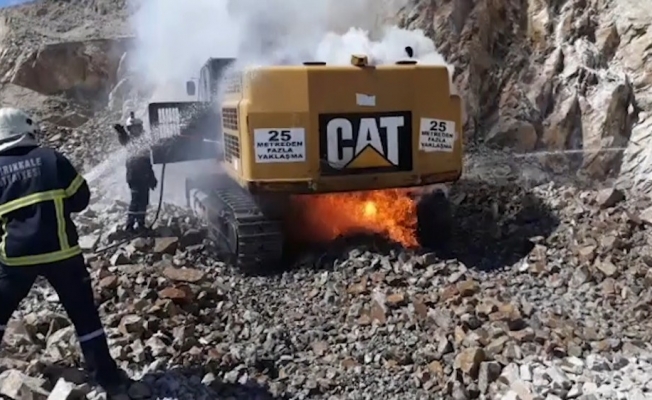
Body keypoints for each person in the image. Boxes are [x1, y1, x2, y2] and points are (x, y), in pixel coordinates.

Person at [0, 108, 128, 395]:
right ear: (25, 130)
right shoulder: (51, 159)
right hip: (62, 254)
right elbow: (81, 199)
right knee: (84, 316)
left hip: (15, 259)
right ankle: (107, 378)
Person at [114, 111, 157, 232]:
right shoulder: (130, 141)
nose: (136, 130)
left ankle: (141, 224)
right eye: (133, 128)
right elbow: (124, 140)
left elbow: (147, 162)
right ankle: (129, 226)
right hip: (134, 177)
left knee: (144, 201)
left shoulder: (144, 142)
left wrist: (151, 177)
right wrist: (121, 132)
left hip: (144, 177)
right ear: (130, 130)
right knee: (136, 200)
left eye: (138, 127)